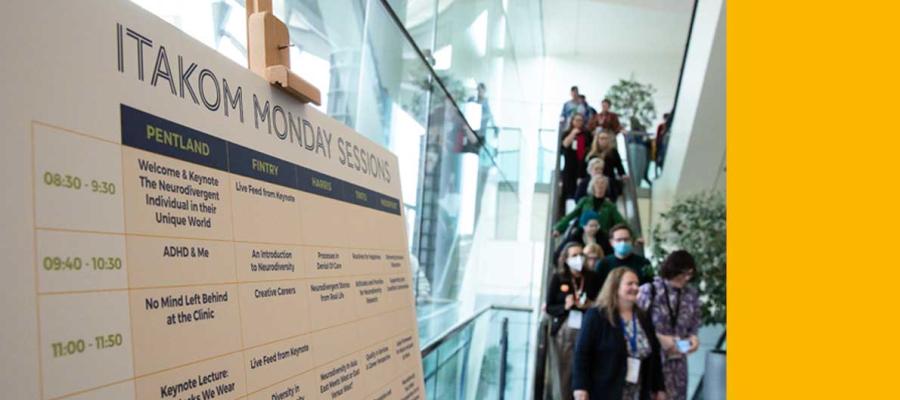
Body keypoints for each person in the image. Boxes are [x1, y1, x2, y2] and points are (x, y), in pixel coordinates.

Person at [572, 267, 666, 400]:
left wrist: (659, 388)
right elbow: (582, 353)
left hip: (637, 392)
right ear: (615, 286)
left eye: (637, 284)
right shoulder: (596, 316)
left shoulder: (643, 317)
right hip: (605, 390)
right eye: (630, 283)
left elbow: (655, 355)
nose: (635, 287)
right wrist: (580, 388)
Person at [637, 251, 702, 400]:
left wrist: (694, 339)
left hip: (678, 360)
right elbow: (636, 323)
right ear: (673, 269)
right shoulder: (650, 290)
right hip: (652, 359)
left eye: (690, 275)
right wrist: (659, 338)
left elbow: (694, 324)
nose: (686, 278)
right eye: (683, 273)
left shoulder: (691, 295)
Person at [546, 242, 602, 400]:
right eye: (574, 255)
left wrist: (590, 304)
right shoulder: (558, 278)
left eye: (581, 255)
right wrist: (565, 306)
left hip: (588, 327)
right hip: (565, 329)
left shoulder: (592, 277)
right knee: (565, 370)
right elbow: (550, 306)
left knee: (587, 366)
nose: (578, 258)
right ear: (566, 259)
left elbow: (601, 302)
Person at [553, 176, 626, 240]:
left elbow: (620, 221)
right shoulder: (585, 201)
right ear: (593, 186)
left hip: (602, 236)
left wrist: (634, 236)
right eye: (597, 184)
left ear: (606, 187)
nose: (600, 186)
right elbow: (571, 215)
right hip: (582, 233)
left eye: (603, 184)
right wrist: (558, 228)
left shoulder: (610, 205)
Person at [587, 131, 627, 202]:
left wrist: (623, 174)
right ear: (597, 140)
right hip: (594, 179)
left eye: (606, 138)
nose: (604, 140)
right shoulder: (591, 153)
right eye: (602, 138)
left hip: (609, 179)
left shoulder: (613, 152)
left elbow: (619, 166)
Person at [560, 113, 591, 200]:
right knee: (569, 186)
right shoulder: (567, 133)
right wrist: (573, 133)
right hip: (570, 163)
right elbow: (565, 145)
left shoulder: (586, 133)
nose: (578, 122)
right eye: (576, 120)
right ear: (572, 121)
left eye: (580, 120)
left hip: (582, 163)